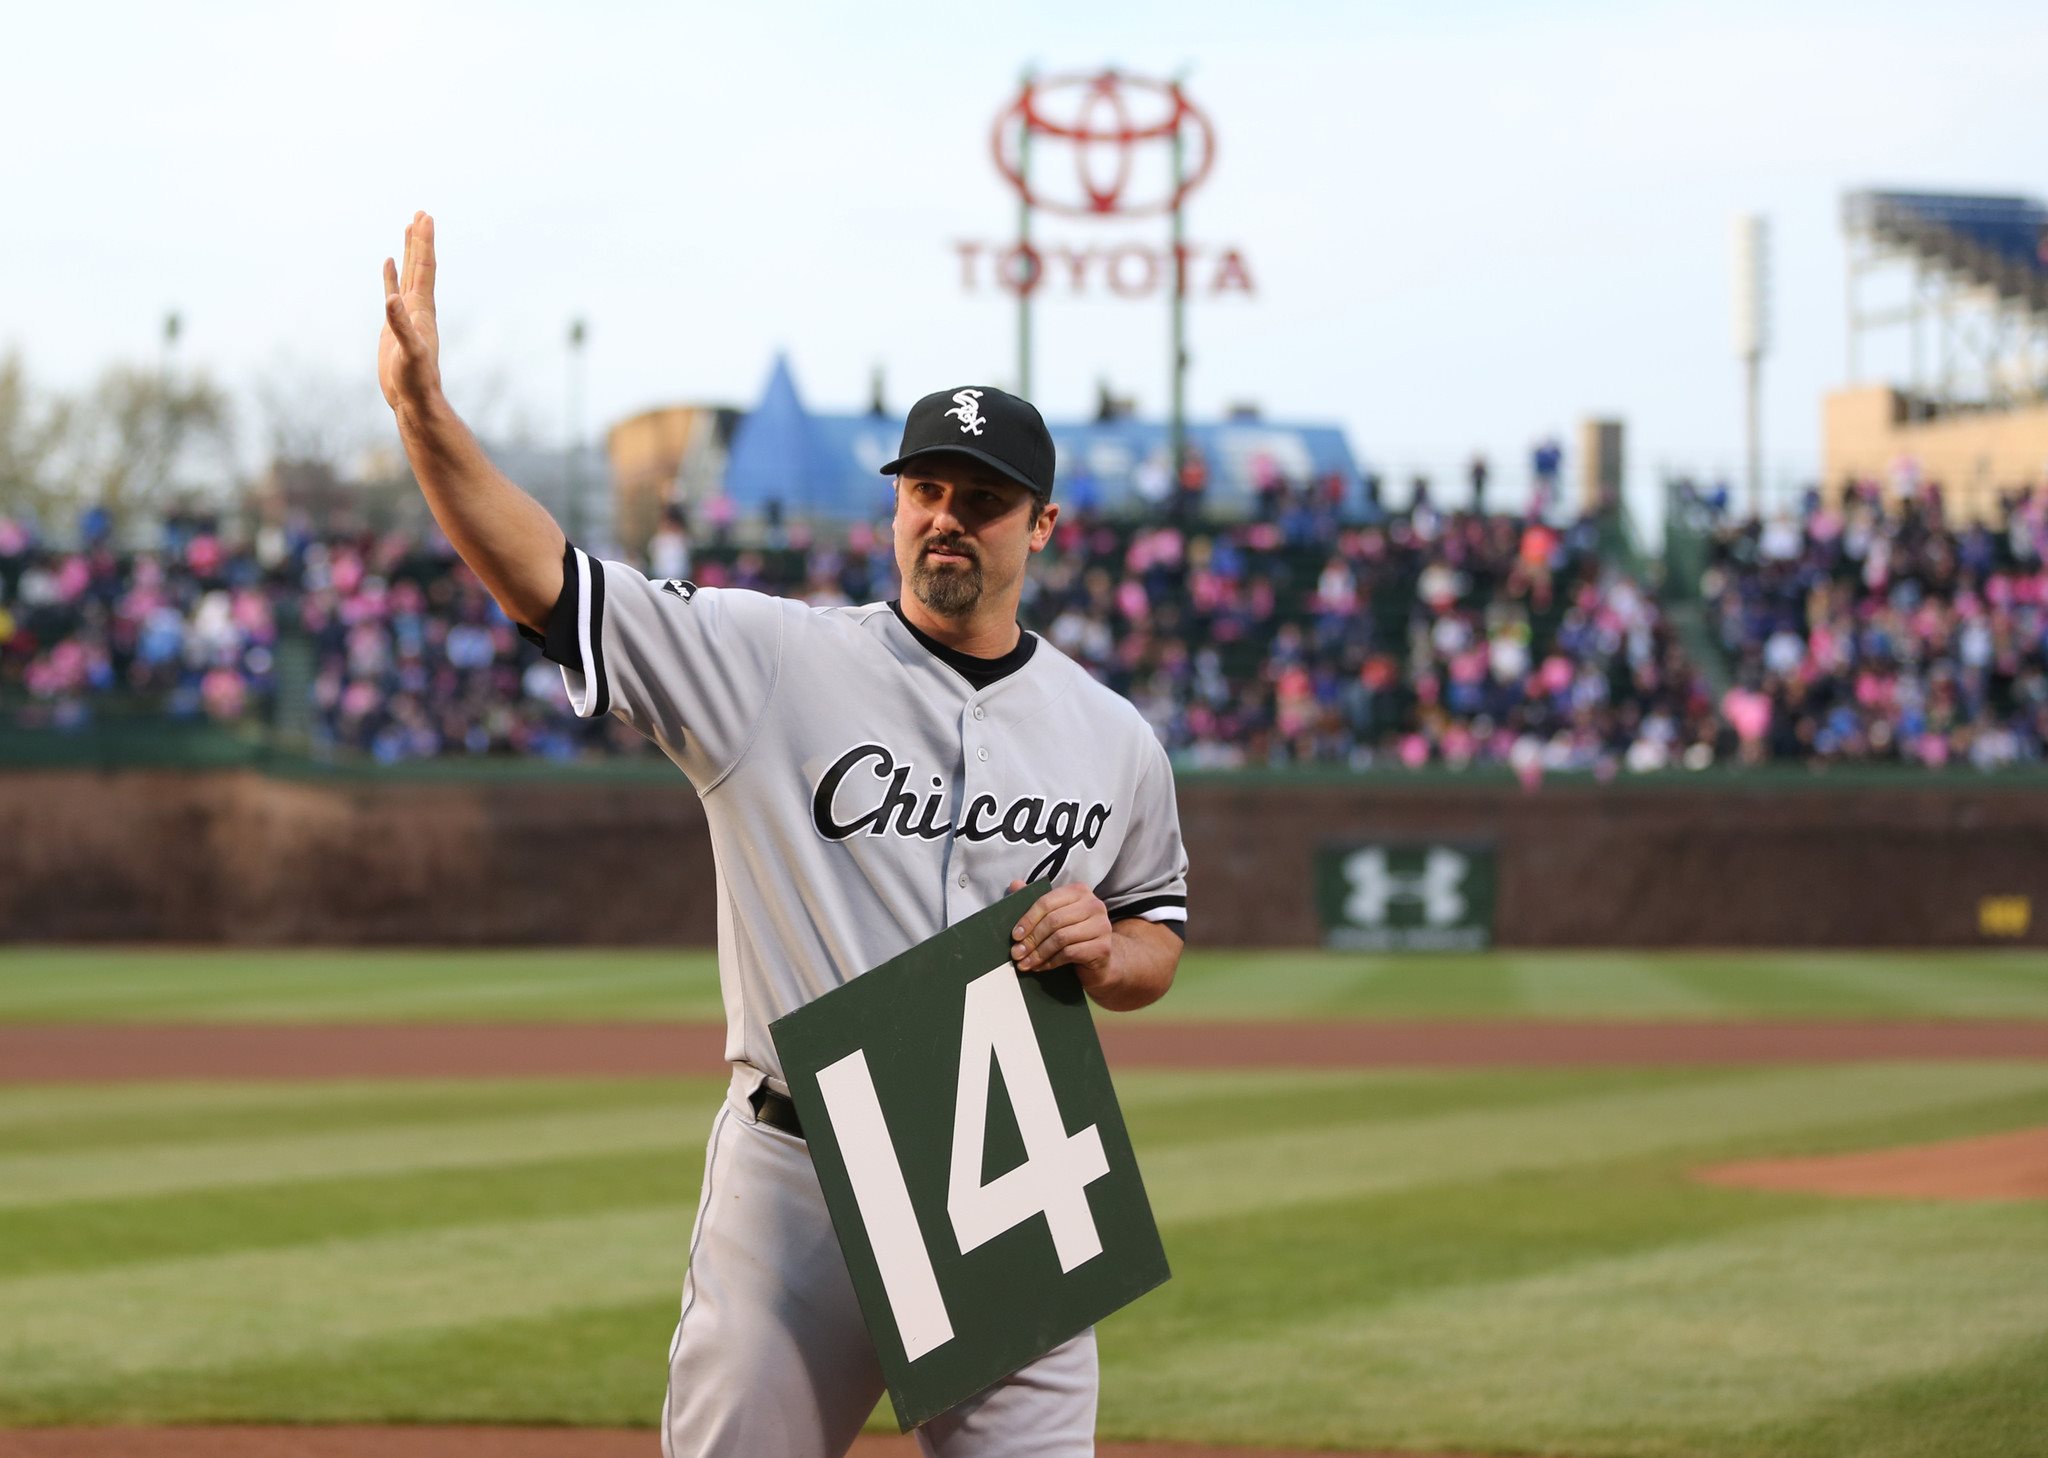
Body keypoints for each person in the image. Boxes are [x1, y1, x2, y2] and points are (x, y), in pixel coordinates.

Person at [378, 212, 1189, 1458]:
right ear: (896, 504)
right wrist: (430, 423)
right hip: (798, 1163)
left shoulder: (1112, 736)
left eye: (982, 499)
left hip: (1013, 1163)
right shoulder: (771, 660)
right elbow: (548, 579)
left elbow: (1153, 946)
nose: (946, 518)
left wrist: (1106, 950)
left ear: (1042, 528)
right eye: (925, 489)